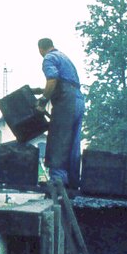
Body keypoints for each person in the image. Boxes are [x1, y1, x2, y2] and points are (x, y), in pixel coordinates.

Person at [32, 37, 84, 187]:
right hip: (78, 100)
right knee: (73, 142)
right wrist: (40, 90)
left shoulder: (49, 58)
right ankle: (73, 181)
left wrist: (43, 101)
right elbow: (65, 82)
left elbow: (52, 80)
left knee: (58, 138)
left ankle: (58, 180)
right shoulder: (64, 57)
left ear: (40, 49)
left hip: (66, 101)